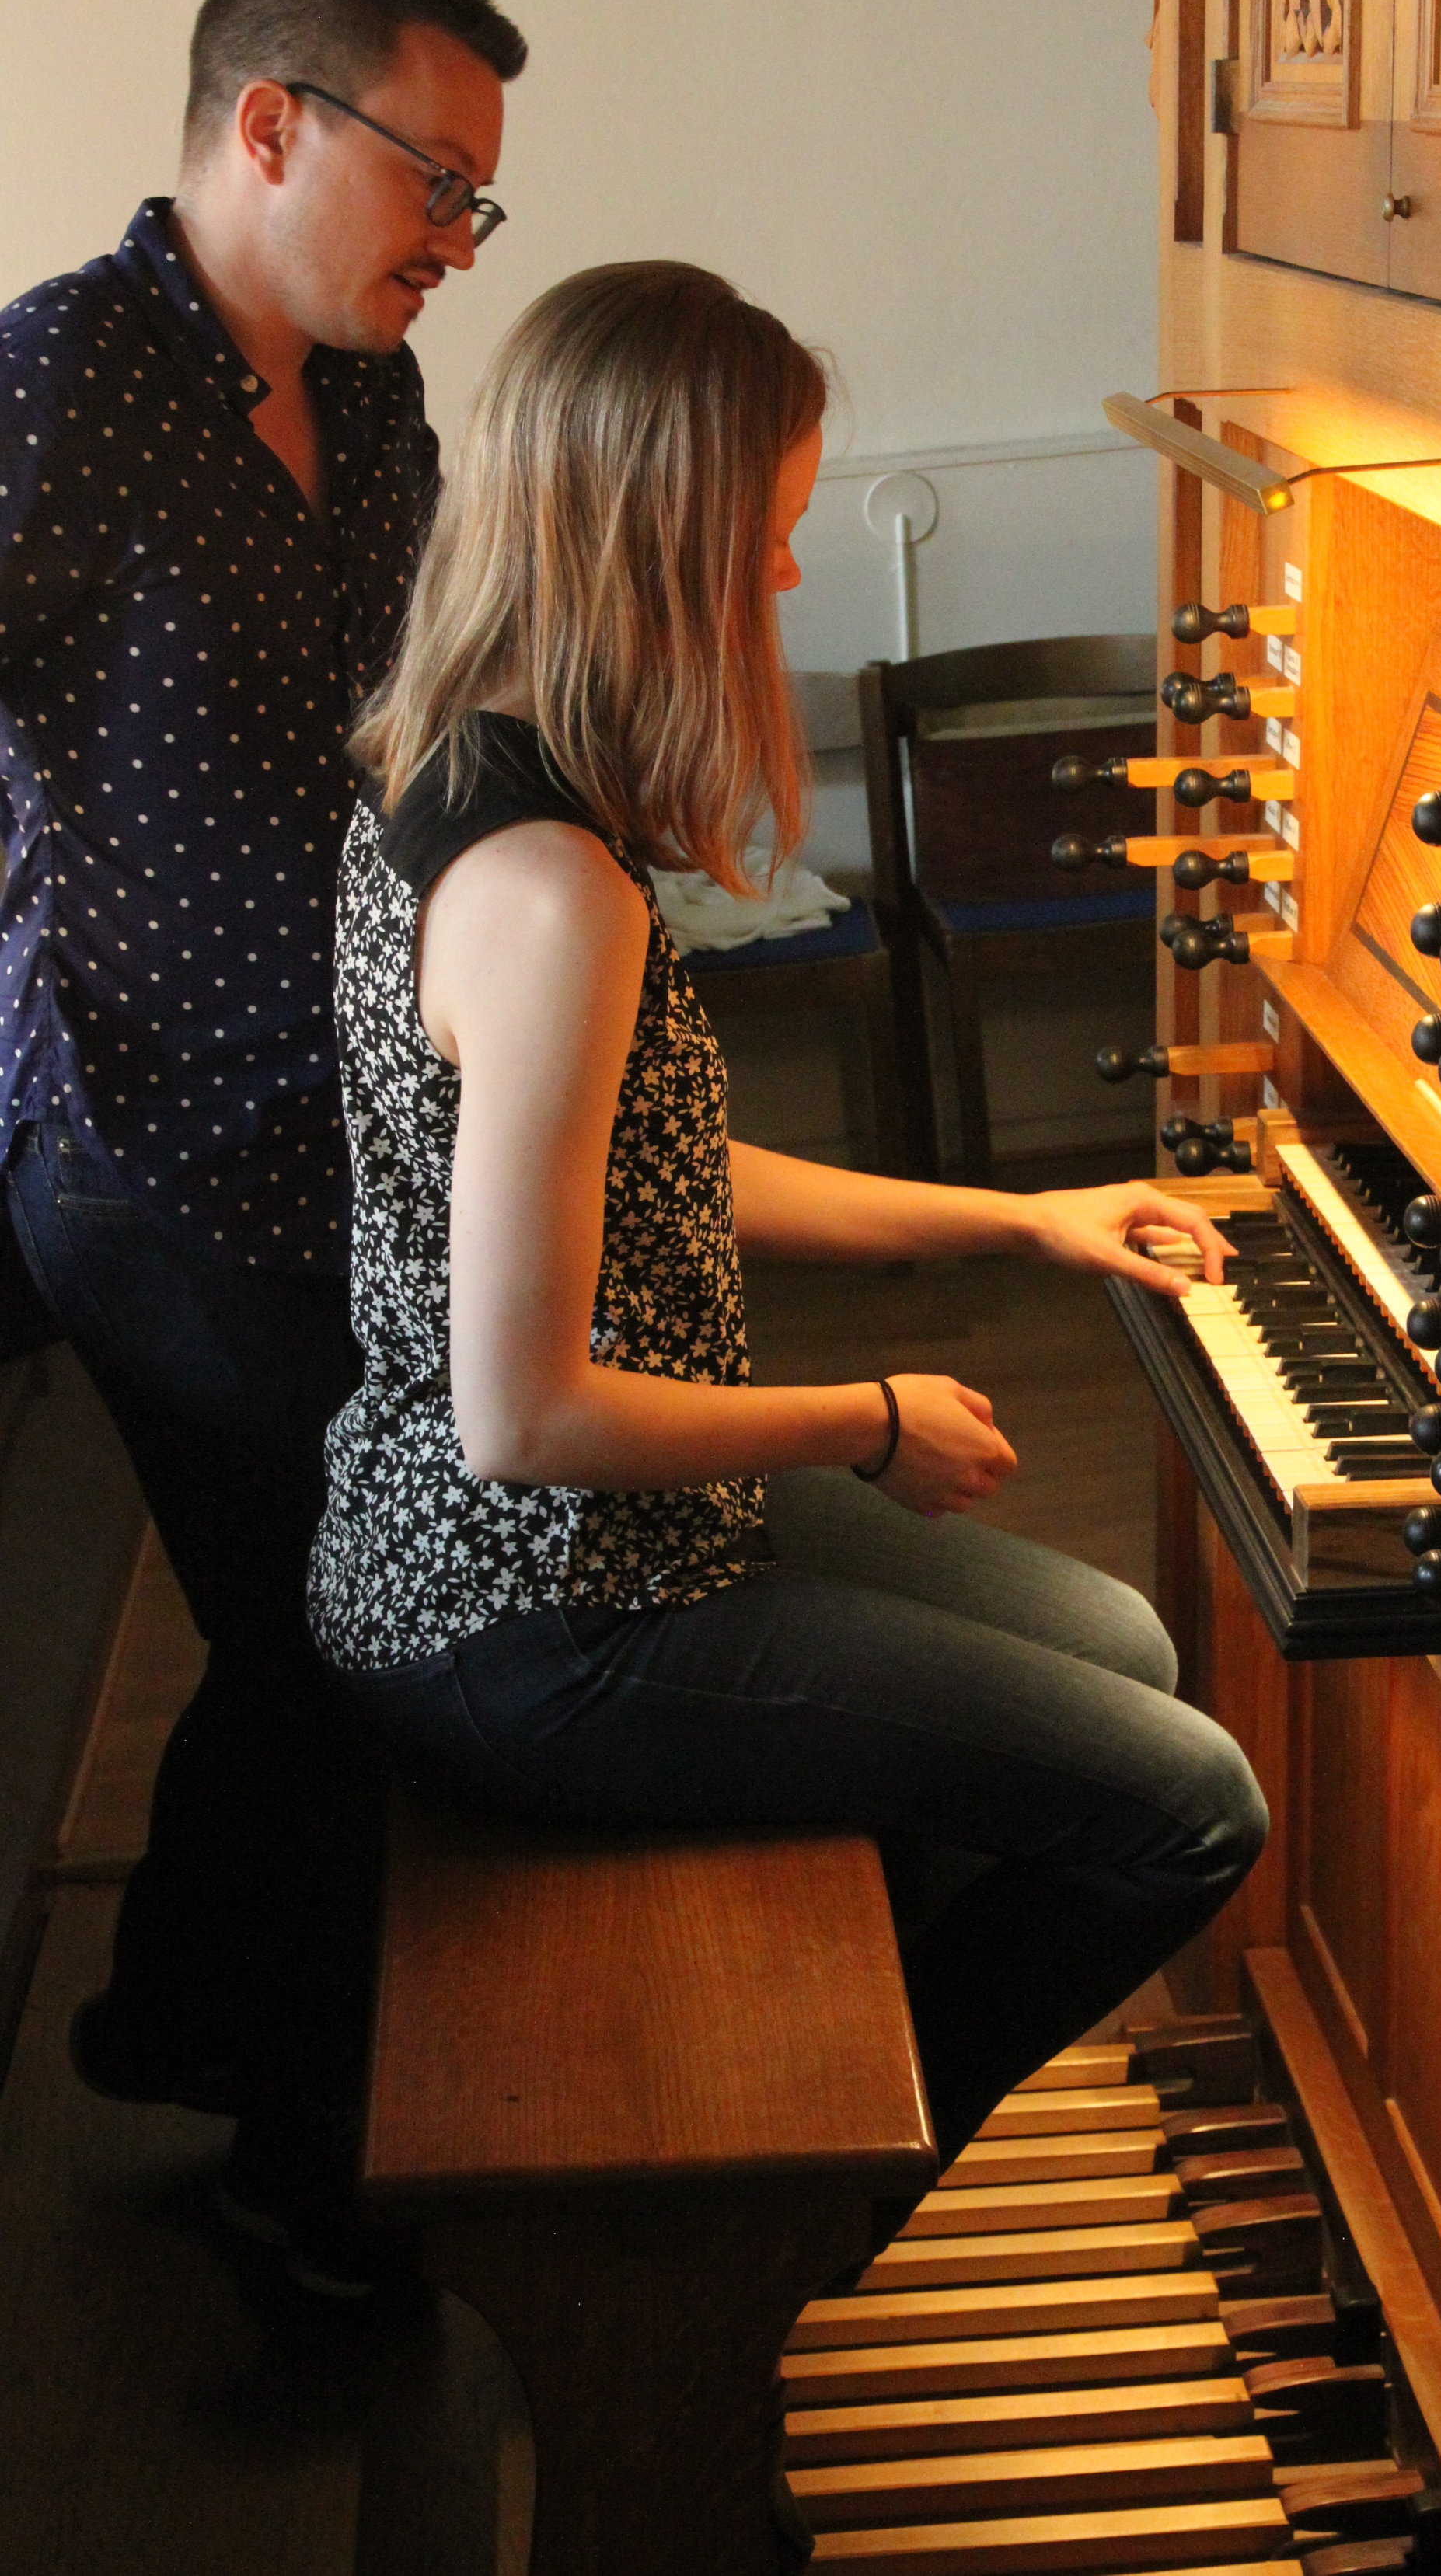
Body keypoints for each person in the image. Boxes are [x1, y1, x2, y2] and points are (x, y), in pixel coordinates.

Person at [309, 259, 1268, 2182]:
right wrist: (874, 1418)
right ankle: (808, 2197)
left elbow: (655, 1172)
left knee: (1127, 1655)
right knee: (1193, 1805)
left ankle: (842, 2048)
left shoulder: (457, 767)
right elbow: (527, 1416)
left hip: (564, 1545)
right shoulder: (544, 888)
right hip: (537, 1617)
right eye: (765, 537)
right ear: (653, 547)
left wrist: (1022, 1221)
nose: (787, 583)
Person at [0, 0, 525, 2281]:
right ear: (269, 124)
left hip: (338, 1131)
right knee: (349, 1636)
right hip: (140, 1149)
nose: (460, 236)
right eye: (438, 179)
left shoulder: (380, 392)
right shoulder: (50, 385)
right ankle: (313, 2192)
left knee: (303, 1619)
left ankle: (177, 2004)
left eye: (482, 200)